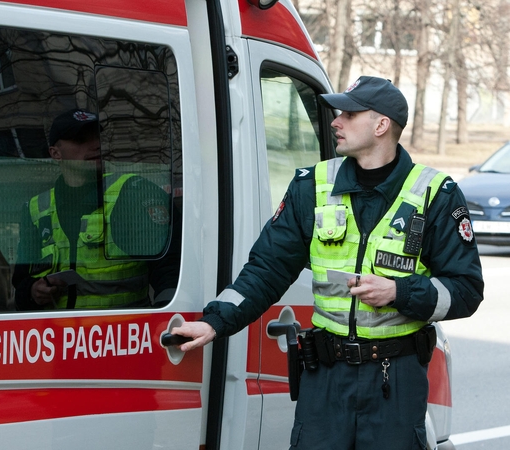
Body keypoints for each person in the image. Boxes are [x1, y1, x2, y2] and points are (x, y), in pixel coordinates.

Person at [172, 77, 484, 449]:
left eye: (349, 114)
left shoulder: (436, 193)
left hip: (395, 382)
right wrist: (215, 321)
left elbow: (465, 290)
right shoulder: (311, 185)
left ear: (381, 125)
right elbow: (267, 269)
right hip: (325, 379)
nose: (336, 121)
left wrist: (399, 291)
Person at [12, 108, 179, 310]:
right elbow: (21, 283)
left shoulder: (133, 194)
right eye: (80, 139)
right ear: (55, 153)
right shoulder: (35, 209)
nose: (95, 145)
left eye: (97, 137)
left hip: (123, 335)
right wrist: (33, 291)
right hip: (58, 337)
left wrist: (166, 324)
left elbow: (170, 270)